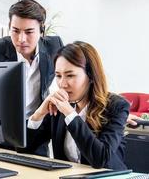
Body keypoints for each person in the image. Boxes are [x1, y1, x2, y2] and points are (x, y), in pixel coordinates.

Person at [0, 0, 63, 156]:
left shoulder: (55, 46)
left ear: (42, 30)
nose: (21, 39)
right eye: (15, 31)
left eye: (29, 32)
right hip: (1, 134)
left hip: (37, 132)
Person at [27, 41, 129, 170]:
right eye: (58, 76)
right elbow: (24, 148)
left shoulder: (116, 106)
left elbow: (100, 159)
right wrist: (38, 114)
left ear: (91, 76)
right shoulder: (58, 106)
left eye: (70, 75)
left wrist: (70, 114)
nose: (62, 84)